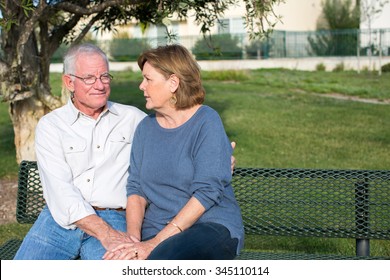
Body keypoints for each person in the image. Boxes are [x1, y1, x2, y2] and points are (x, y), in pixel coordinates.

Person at [14, 43, 236, 260]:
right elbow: (61, 193)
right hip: (61, 222)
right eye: (90, 78)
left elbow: (195, 155)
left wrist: (218, 162)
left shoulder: (134, 120)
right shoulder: (51, 126)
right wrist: (111, 234)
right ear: (69, 82)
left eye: (105, 77)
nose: (100, 85)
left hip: (116, 218)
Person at [103, 44, 244, 260]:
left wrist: (154, 244)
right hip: (156, 232)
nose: (141, 86)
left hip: (208, 228)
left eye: (148, 79)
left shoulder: (206, 121)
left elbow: (206, 193)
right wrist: (132, 240)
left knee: (165, 259)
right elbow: (136, 189)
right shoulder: (145, 129)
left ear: (173, 83)